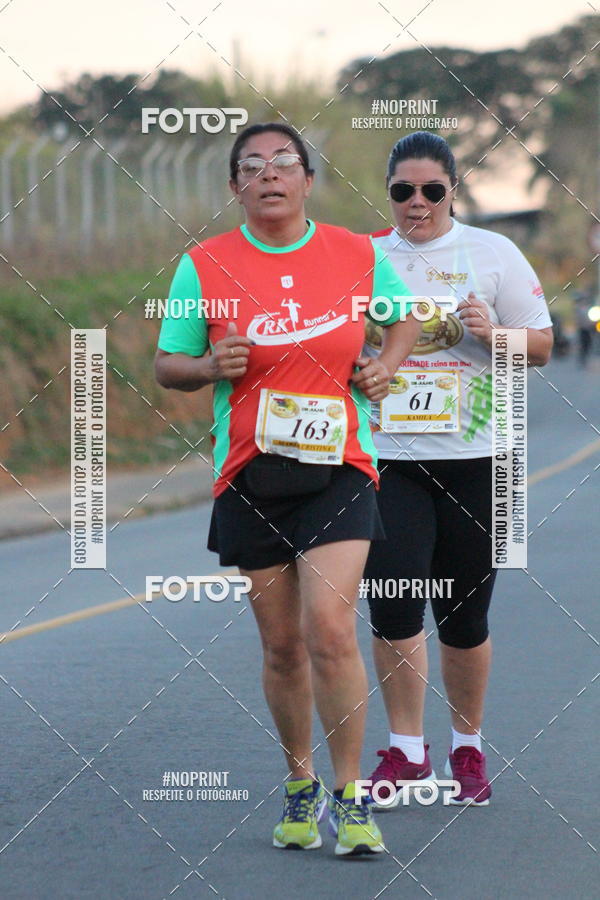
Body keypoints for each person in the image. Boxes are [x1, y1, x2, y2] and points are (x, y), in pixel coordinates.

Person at [154, 123, 421, 854]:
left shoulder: (356, 253)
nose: (268, 175)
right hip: (251, 472)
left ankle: (350, 796)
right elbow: (168, 364)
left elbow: (403, 321)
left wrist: (386, 364)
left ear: (308, 179)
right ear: (234, 187)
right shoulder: (203, 265)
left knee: (329, 629)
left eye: (283, 163)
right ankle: (300, 782)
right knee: (281, 647)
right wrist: (209, 368)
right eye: (252, 166)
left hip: (340, 468)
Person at [363, 131, 553, 807]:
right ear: (388, 193)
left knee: (464, 617)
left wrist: (490, 334)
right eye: (402, 190)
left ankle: (466, 747)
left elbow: (542, 345)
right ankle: (407, 750)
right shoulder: (364, 258)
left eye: (431, 190)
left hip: (479, 462)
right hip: (390, 459)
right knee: (393, 604)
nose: (416, 202)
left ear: (452, 191)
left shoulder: (493, 253)